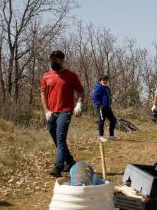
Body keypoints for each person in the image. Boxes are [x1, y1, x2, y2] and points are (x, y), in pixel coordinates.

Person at [40, 50, 85, 178]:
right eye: (53, 59)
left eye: (57, 59)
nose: (55, 61)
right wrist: (46, 111)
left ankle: (58, 167)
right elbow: (43, 94)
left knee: (60, 140)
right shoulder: (46, 76)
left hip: (65, 111)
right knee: (58, 141)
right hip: (51, 113)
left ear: (63, 60)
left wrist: (79, 104)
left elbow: (81, 92)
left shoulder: (71, 76)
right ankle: (70, 161)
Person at [92, 75, 117, 142]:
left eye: (106, 80)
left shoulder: (106, 87)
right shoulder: (99, 87)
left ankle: (111, 136)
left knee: (113, 120)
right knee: (101, 121)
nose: (105, 81)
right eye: (103, 80)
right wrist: (99, 104)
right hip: (101, 107)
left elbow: (107, 97)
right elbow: (94, 96)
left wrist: (109, 104)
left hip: (108, 107)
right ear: (100, 80)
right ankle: (101, 136)